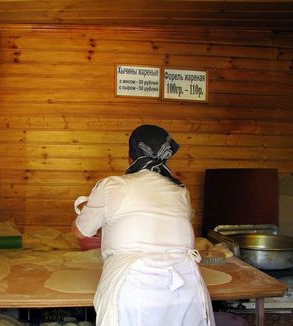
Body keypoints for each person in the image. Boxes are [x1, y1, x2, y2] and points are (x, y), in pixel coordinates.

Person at [72, 124, 215, 326]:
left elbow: (81, 232)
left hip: (134, 287)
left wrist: (89, 212)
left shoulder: (112, 185)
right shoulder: (180, 191)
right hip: (186, 286)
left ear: (131, 155)